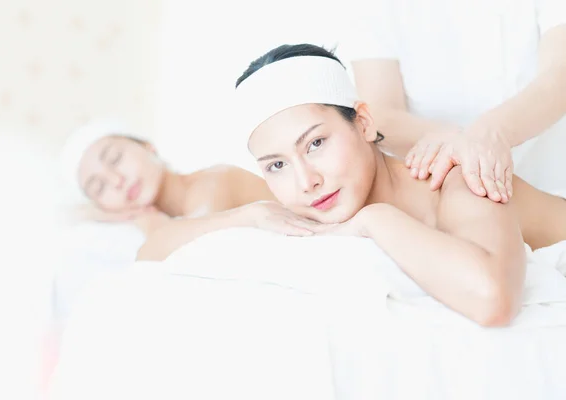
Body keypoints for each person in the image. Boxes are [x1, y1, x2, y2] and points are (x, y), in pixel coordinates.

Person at [139, 44, 566, 328]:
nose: (305, 181)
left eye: (317, 143)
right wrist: (248, 215)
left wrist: (375, 220)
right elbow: (149, 250)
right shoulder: (307, 198)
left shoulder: (452, 176)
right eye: (276, 165)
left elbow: (493, 300)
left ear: (363, 122)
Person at [340, 0, 566, 202]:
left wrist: (490, 133)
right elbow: (379, 115)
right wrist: (460, 143)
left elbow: (559, 74)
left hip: (550, 182)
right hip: (447, 193)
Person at [59, 118, 276, 235]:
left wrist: (151, 227)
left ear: (147, 146)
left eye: (116, 158)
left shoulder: (213, 184)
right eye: (99, 187)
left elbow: (195, 254)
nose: (116, 181)